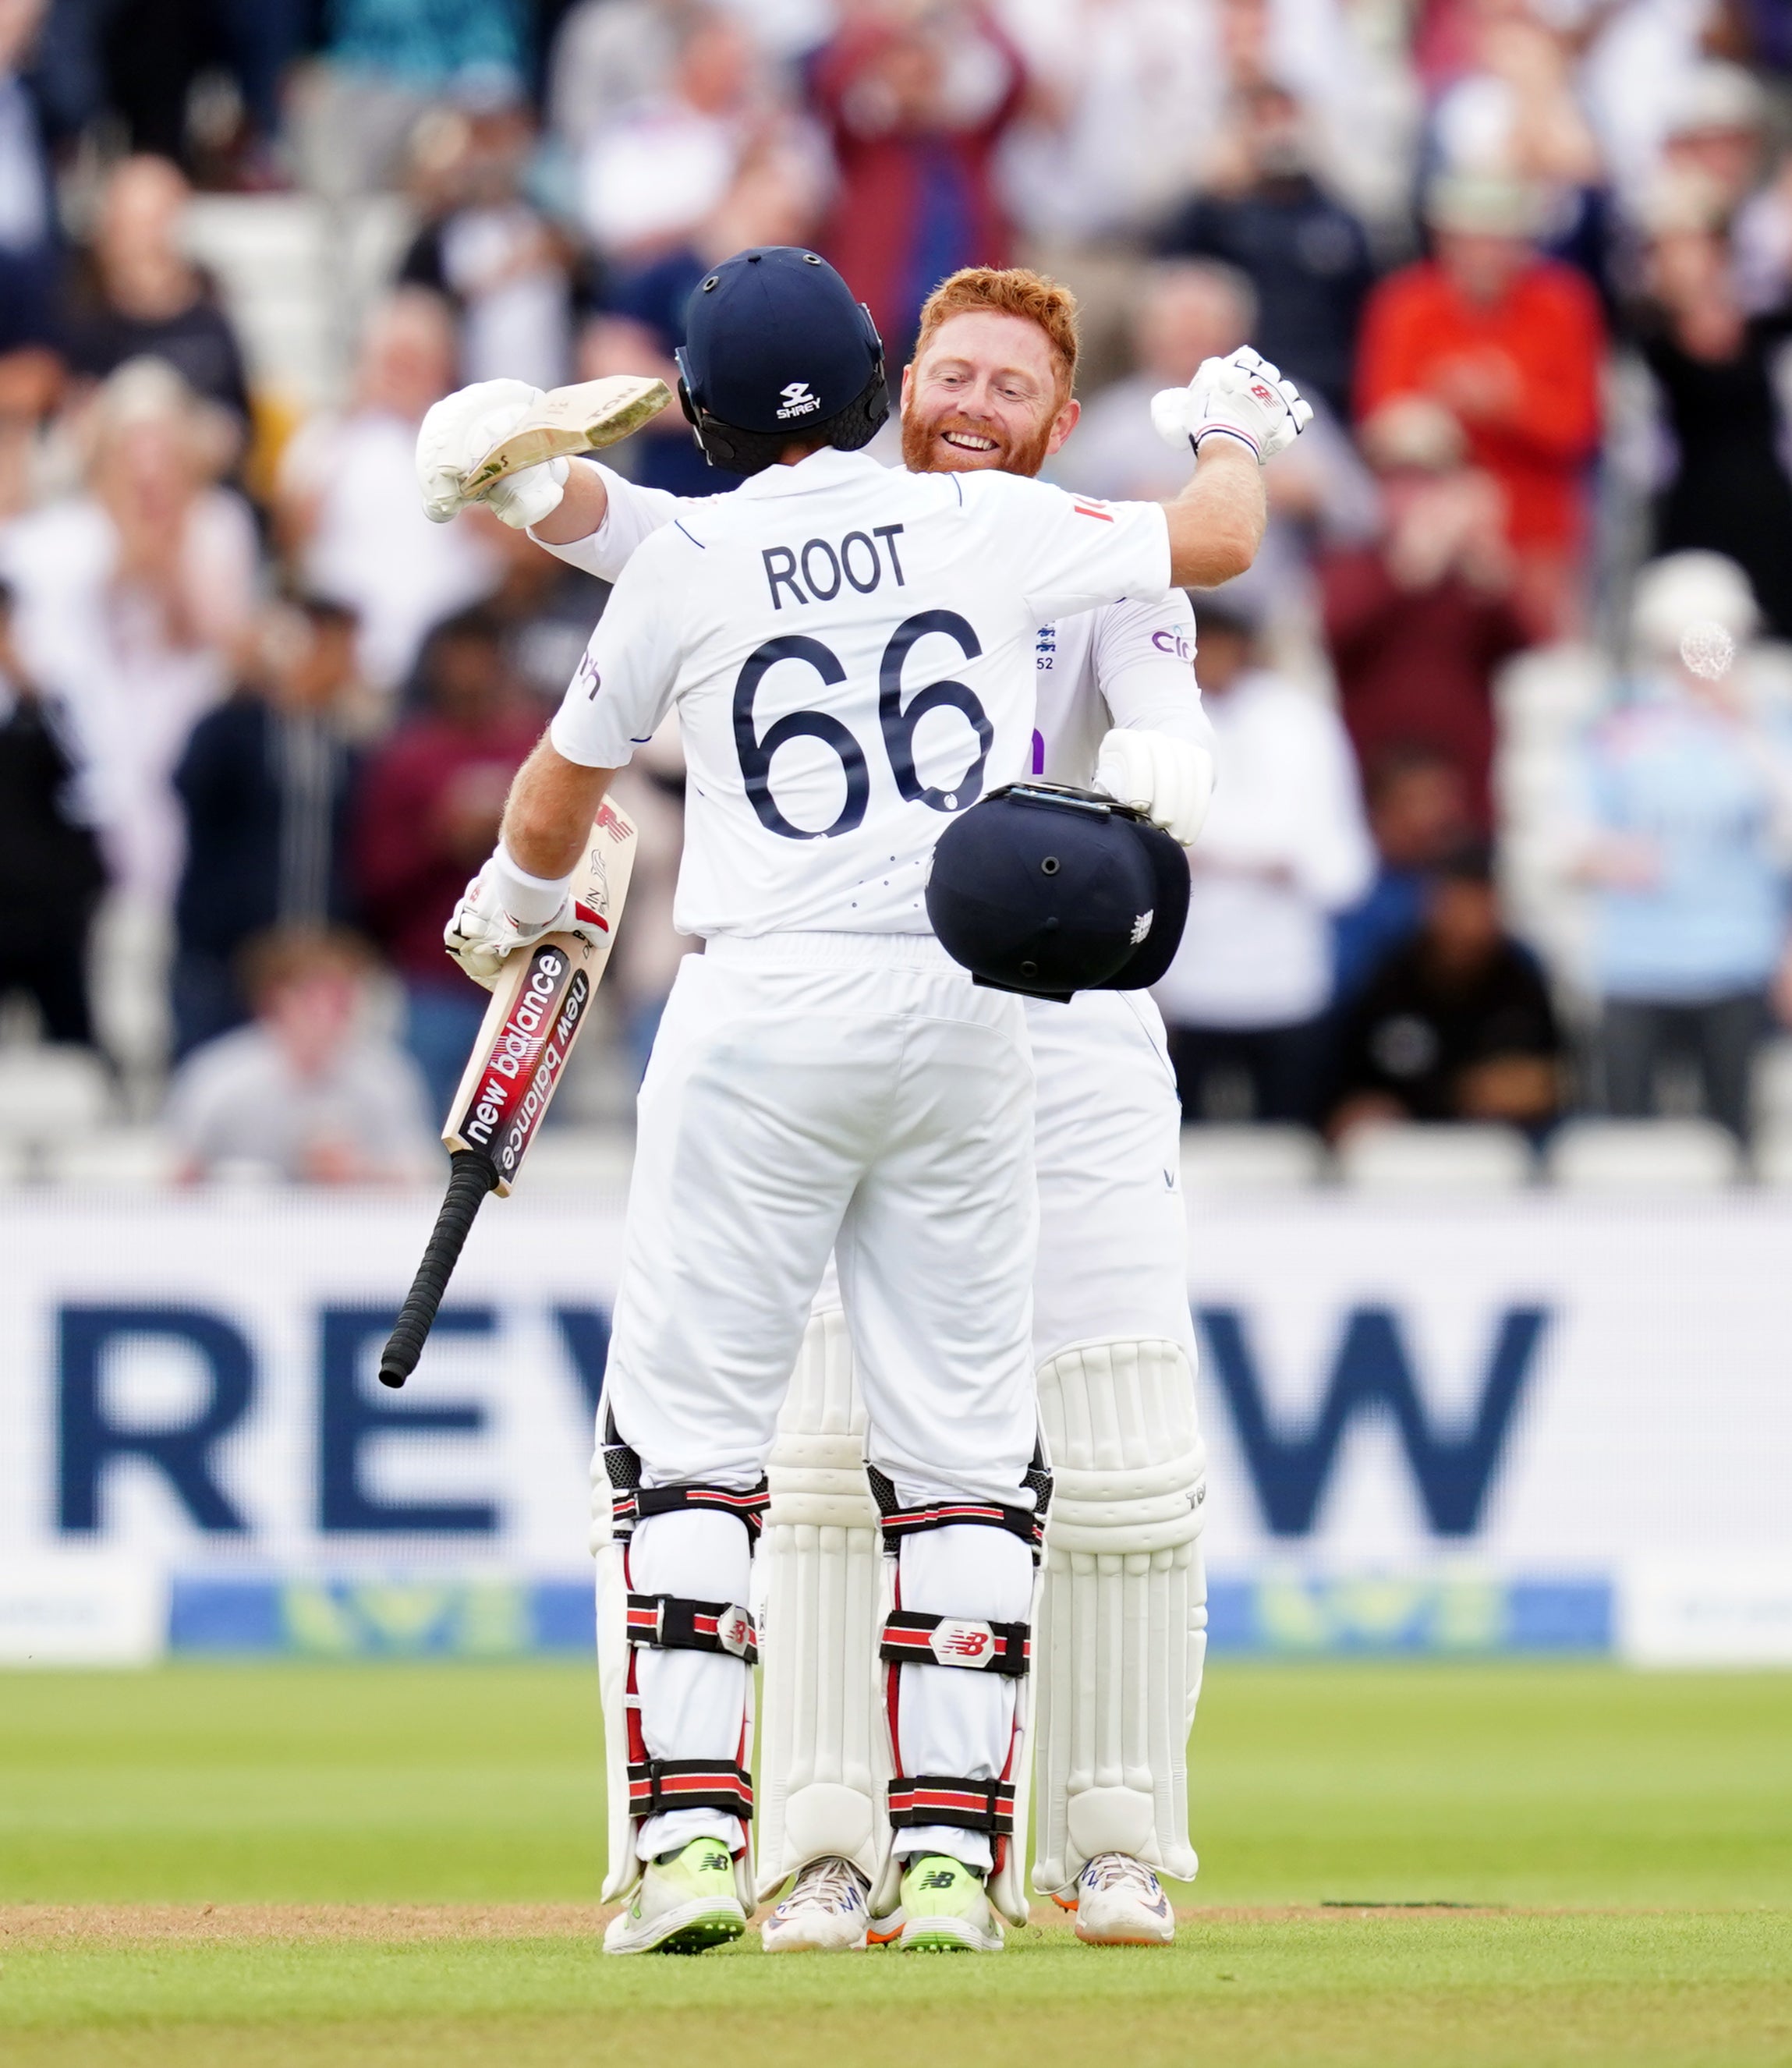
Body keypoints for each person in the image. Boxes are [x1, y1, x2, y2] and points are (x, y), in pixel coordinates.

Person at [417, 246, 1306, 1955]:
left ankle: (690, 1849)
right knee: (967, 1457)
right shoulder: (985, 532)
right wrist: (1234, 428)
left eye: (1009, 385)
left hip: (766, 1008)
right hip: (958, 1006)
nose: (973, 407)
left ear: (704, 412)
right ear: (888, 376)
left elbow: (573, 728)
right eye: (945, 377)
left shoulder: (702, 543)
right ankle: (945, 1863)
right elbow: (1217, 534)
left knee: (692, 1441)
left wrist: (521, 903)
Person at [1574, 553, 1792, 1145]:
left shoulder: (1769, 723)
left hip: (1736, 961)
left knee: (1734, 1132)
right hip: (1637, 962)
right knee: (1629, 1139)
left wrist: (1743, 730)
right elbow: (1574, 836)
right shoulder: (1617, 722)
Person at [1155, 593, 1374, 1125]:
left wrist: (1230, 854)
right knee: (1185, 1147)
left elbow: (1336, 855)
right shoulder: (1152, 720)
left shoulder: (1300, 722)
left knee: (1290, 1143)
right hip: (1185, 983)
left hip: (1286, 980)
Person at [1354, 172, 1604, 632]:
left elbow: (1580, 428)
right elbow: (1381, 423)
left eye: (1500, 239)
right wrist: (1444, 408)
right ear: (1443, 240)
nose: (1485, 254)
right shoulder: (1405, 304)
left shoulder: (1563, 304)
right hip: (1424, 536)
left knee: (1540, 667)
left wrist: (1510, 404)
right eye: (1470, 239)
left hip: (1535, 532)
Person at [352, 604, 539, 1119]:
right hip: (434, 977)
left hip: (525, 978)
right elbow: (376, 877)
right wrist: (440, 840)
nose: (470, 676)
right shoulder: (408, 757)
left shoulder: (538, 748)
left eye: (481, 661)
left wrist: (515, 834)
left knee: (527, 1149)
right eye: (459, 662)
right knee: (424, 1136)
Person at [1320, 395, 1533, 830]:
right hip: (1374, 794)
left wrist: (1488, 565)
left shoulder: (1472, 569)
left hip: (1464, 792)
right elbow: (1337, 635)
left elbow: (1525, 643)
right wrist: (1410, 566)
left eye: (1427, 480)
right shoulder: (1352, 562)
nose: (1411, 496)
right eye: (1395, 480)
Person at [171, 594, 367, 1061]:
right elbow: (190, 788)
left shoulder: (343, 739)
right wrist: (242, 684)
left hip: (317, 955)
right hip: (228, 955)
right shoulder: (234, 727)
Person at [275, 289, 497, 696]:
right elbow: (292, 540)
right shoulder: (323, 438)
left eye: (413, 361)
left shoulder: (475, 443)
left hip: (446, 650)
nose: (400, 374)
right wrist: (355, 415)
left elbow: (499, 538)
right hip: (344, 647)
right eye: (391, 359)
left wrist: (425, 424)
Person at [1328, 841, 1564, 1141]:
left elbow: (1553, 1077)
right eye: (1459, 902)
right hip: (1406, 1146)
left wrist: (1517, 1088)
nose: (1469, 921)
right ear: (1432, 903)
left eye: (1481, 904)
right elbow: (1349, 1087)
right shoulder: (1392, 974)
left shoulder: (1520, 972)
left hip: (1500, 1146)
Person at [165, 927, 437, 1184]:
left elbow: (425, 1174)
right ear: (276, 1000)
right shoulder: (219, 1076)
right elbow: (173, 1171)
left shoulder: (385, 1075)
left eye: (343, 995)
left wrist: (361, 1172)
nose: (335, 1009)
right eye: (318, 996)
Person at [63, 155, 251, 430]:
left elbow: (238, 428)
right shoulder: (79, 320)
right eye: (136, 225)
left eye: (157, 222)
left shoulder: (211, 322)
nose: (149, 241)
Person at [0, 574, 105, 1046]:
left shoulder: (42, 704)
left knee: (75, 1045)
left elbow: (84, 782)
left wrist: (31, 693)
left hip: (43, 919)